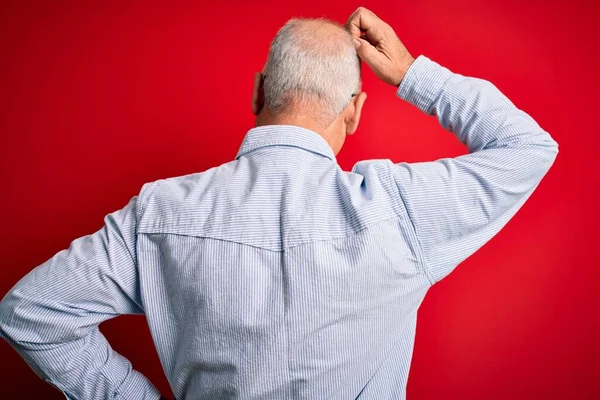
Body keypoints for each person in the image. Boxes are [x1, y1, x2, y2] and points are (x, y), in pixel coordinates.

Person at [0, 6, 558, 400]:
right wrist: (411, 73)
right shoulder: (398, 210)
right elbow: (528, 147)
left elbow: (31, 313)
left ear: (259, 91)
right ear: (356, 112)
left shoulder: (159, 214)